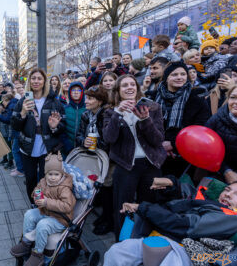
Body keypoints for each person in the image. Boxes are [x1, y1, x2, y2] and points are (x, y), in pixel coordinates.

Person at [104, 180, 237, 266]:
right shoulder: (205, 199)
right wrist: (171, 184)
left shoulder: (234, 219)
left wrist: (143, 207)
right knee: (117, 252)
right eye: (227, 190)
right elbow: (180, 198)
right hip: (160, 237)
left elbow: (186, 225)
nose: (228, 195)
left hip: (187, 250)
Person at [102, 75, 167, 239]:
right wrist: (118, 113)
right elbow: (109, 138)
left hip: (151, 164)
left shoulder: (153, 108)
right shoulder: (111, 111)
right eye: (124, 85)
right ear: (118, 91)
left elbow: (158, 140)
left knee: (149, 206)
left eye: (132, 84)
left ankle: (147, 241)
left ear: (137, 89)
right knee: (123, 207)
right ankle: (123, 241)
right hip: (125, 166)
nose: (129, 88)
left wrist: (145, 120)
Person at [10, 154, 75, 266]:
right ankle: (26, 244)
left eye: (56, 174)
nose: (53, 177)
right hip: (46, 212)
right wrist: (36, 196)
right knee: (29, 214)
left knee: (42, 224)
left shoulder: (64, 188)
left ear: (62, 174)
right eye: (50, 174)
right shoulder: (44, 182)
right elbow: (36, 190)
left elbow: (67, 206)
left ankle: (38, 254)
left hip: (60, 219)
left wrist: (46, 202)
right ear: (45, 173)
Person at [11, 68, 66, 204]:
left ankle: (43, 203)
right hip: (27, 147)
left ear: (44, 82)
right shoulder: (23, 101)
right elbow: (15, 125)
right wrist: (23, 112)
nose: (36, 81)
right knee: (30, 178)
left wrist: (54, 127)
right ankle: (34, 202)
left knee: (44, 178)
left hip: (47, 148)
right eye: (33, 78)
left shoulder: (54, 101)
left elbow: (63, 125)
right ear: (29, 81)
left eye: (39, 78)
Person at [152, 62, 210, 177]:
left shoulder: (197, 100)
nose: (179, 77)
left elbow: (199, 129)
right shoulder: (153, 97)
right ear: (166, 78)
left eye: (183, 74)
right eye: (174, 75)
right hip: (155, 152)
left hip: (182, 155)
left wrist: (173, 144)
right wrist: (160, 145)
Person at [76, 85, 111, 235]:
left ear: (100, 101)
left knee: (107, 189)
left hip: (106, 158)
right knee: (95, 186)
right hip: (90, 157)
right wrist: (83, 141)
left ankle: (108, 219)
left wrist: (99, 144)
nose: (86, 101)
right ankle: (101, 216)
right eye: (86, 97)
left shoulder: (107, 115)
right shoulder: (85, 115)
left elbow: (111, 140)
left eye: (90, 98)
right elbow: (78, 135)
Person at [0, 93, 18, 170]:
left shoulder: (12, 106)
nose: (2, 103)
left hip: (8, 130)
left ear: (6, 100)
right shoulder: (9, 106)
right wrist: (3, 111)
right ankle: (6, 160)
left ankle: (11, 162)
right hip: (6, 129)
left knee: (10, 146)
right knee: (7, 145)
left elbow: (7, 119)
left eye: (2, 101)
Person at [63, 82, 87, 153]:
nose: (76, 92)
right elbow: (61, 130)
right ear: (70, 92)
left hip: (83, 150)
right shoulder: (64, 109)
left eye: (79, 90)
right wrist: (67, 146)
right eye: (73, 90)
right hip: (67, 149)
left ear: (82, 92)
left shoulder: (87, 109)